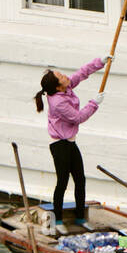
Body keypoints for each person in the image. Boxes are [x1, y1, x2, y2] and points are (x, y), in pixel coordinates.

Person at [34, 57, 107, 232]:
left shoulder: (65, 88)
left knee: (80, 180)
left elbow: (81, 73)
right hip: (60, 145)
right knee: (63, 182)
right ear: (58, 86)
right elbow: (77, 118)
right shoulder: (58, 102)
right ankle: (58, 221)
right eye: (62, 77)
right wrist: (94, 103)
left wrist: (101, 62)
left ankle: (80, 218)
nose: (66, 76)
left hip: (70, 142)